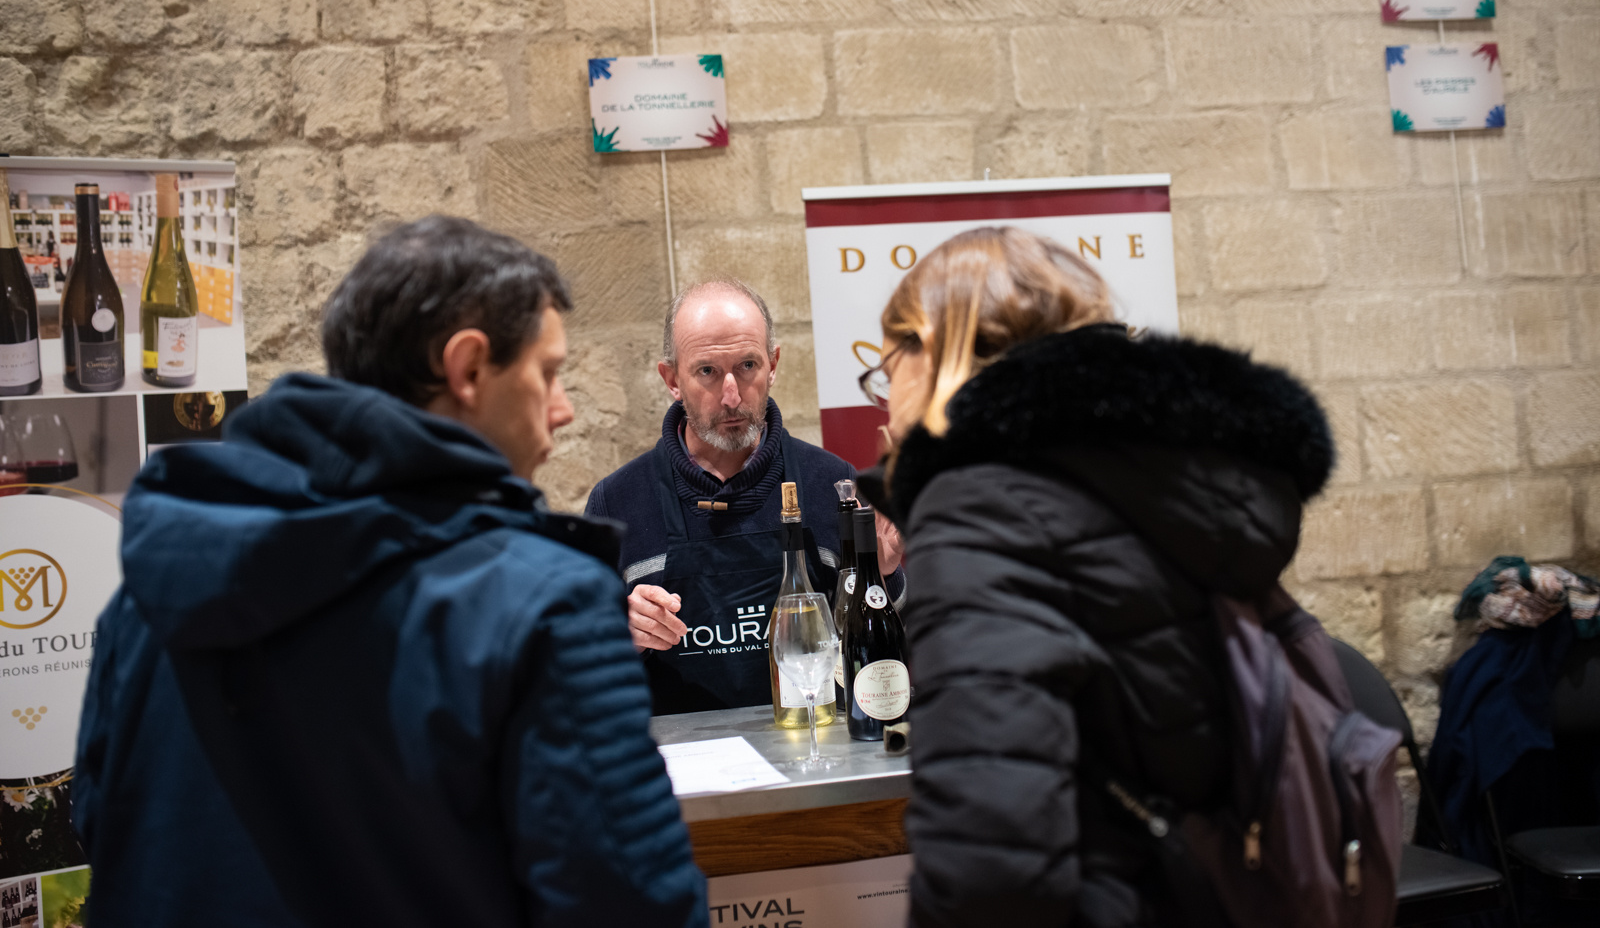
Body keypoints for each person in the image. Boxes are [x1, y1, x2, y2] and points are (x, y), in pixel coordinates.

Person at [73, 217, 707, 928]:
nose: (562, 410)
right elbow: (628, 906)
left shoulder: (152, 588)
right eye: (547, 373)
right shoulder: (542, 604)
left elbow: (104, 822)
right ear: (468, 368)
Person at [861, 227, 1334, 928]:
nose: (883, 397)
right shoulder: (1166, 477)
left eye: (886, 368)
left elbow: (990, 866)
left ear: (931, 349)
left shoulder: (982, 506)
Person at [585, 279, 904, 715]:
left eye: (748, 365)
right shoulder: (616, 503)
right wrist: (614, 633)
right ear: (672, 379)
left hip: (813, 748)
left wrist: (882, 577)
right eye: (707, 372)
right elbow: (580, 674)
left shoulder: (833, 485)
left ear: (773, 365)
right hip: (676, 755)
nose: (731, 395)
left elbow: (883, 660)